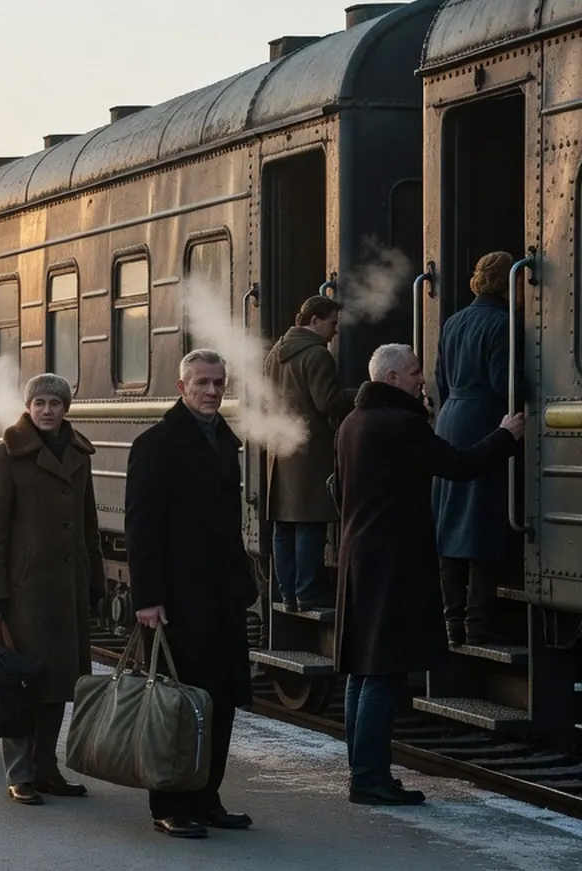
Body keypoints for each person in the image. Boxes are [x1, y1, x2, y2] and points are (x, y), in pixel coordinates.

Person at [334, 343, 523, 805]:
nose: (423, 379)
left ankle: (364, 771)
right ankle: (370, 779)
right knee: (382, 673)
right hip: (393, 562)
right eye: (416, 372)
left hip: (359, 556)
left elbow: (337, 490)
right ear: (393, 378)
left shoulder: (351, 424)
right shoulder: (401, 424)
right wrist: (505, 436)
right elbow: (458, 466)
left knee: (362, 671)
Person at [126, 350, 257, 838]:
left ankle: (206, 795)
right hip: (177, 599)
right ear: (181, 388)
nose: (211, 391)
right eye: (201, 383)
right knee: (177, 705)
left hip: (220, 594)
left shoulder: (224, 440)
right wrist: (148, 598)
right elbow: (142, 527)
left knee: (218, 701)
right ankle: (169, 801)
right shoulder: (157, 444)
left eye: (219, 383)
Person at [0, 373, 105, 806]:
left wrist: (96, 582)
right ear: (28, 407)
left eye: (56, 403)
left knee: (57, 685)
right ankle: (20, 772)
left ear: (67, 408)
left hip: (66, 591)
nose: (48, 411)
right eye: (40, 403)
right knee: (22, 686)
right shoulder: (6, 455)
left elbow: (89, 526)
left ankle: (47, 767)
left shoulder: (79, 454)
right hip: (23, 592)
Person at [433, 251, 515, 647]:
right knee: (483, 524)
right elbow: (504, 384)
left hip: (450, 419)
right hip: (485, 421)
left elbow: (441, 379)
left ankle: (452, 623)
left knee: (450, 525)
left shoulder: (452, 322)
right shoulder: (502, 324)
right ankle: (479, 624)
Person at [264, 295, 351, 611]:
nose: (335, 331)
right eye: (332, 323)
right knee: (311, 523)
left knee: (284, 527)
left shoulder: (276, 352)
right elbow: (328, 402)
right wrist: (365, 394)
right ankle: (309, 592)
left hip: (281, 449)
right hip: (311, 450)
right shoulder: (317, 354)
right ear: (314, 320)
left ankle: (287, 594)